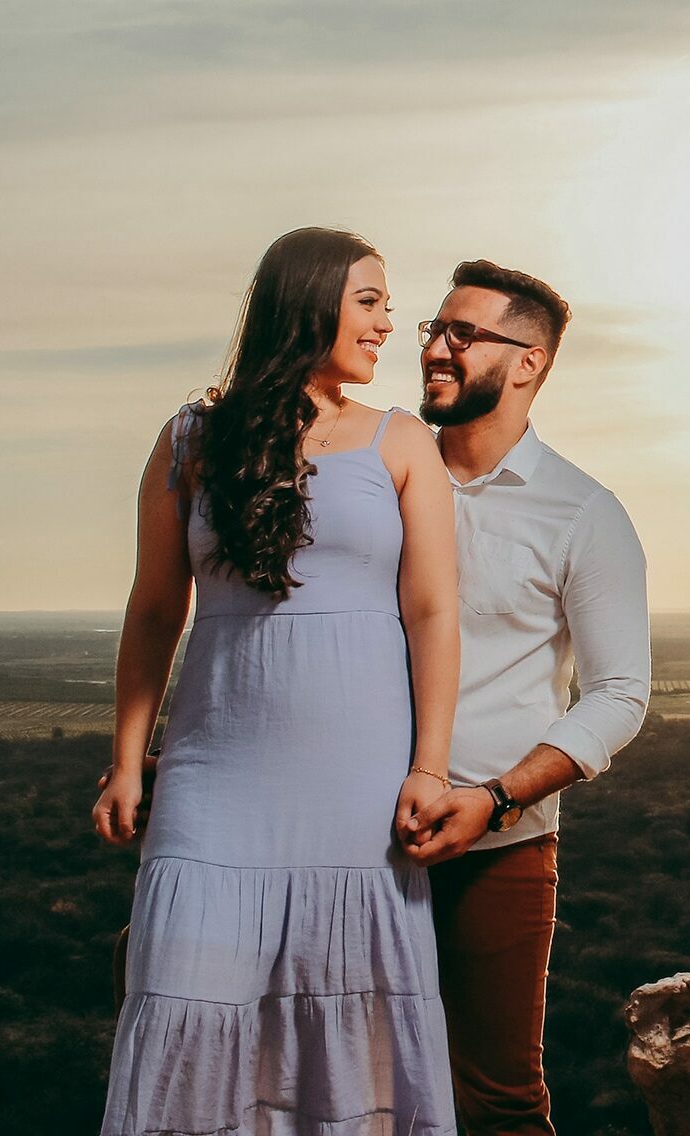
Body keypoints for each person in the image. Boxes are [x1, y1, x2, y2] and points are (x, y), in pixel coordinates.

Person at [93, 227, 460, 1136]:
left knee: (350, 1031)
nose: (387, 324)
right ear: (309, 302)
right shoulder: (191, 438)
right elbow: (151, 612)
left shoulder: (402, 443)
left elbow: (434, 615)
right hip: (213, 785)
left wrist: (432, 766)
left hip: (358, 790)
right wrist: (128, 762)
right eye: (369, 300)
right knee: (184, 1003)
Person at [402, 260, 651, 1136]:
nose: (435, 347)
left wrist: (498, 798)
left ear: (528, 363)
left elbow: (619, 695)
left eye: (462, 335)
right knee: (348, 1081)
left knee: (499, 1098)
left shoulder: (581, 512)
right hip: (344, 832)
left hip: (496, 849)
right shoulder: (377, 483)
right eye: (433, 329)